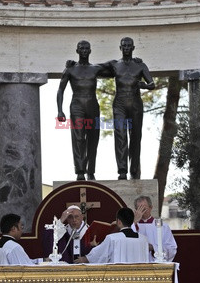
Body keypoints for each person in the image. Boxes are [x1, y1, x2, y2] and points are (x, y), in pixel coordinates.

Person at [57, 40, 113, 181]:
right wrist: (60, 110)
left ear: (90, 51)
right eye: (81, 48)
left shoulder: (95, 68)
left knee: (93, 140)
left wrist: (131, 61)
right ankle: (80, 171)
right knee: (79, 138)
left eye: (86, 48)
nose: (84, 50)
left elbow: (114, 66)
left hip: (92, 105)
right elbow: (60, 90)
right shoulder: (70, 69)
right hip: (77, 105)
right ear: (77, 51)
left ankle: (91, 171)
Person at [104, 37, 155, 180]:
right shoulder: (114, 65)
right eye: (124, 46)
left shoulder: (140, 66)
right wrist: (76, 64)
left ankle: (134, 171)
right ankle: (122, 171)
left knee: (135, 137)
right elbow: (95, 68)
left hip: (135, 104)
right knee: (120, 136)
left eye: (129, 46)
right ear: (120, 48)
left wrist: (142, 85)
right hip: (119, 104)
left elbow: (152, 84)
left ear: (133, 48)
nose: (126, 48)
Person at [74, 207, 149, 263]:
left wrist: (84, 259)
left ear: (119, 221)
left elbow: (100, 254)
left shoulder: (113, 238)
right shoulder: (143, 239)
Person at [132, 195, 177, 261]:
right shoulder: (132, 227)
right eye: (139, 209)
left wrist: (154, 248)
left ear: (151, 208)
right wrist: (134, 222)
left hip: (156, 263)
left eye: (144, 208)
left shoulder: (163, 226)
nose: (141, 212)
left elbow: (171, 248)